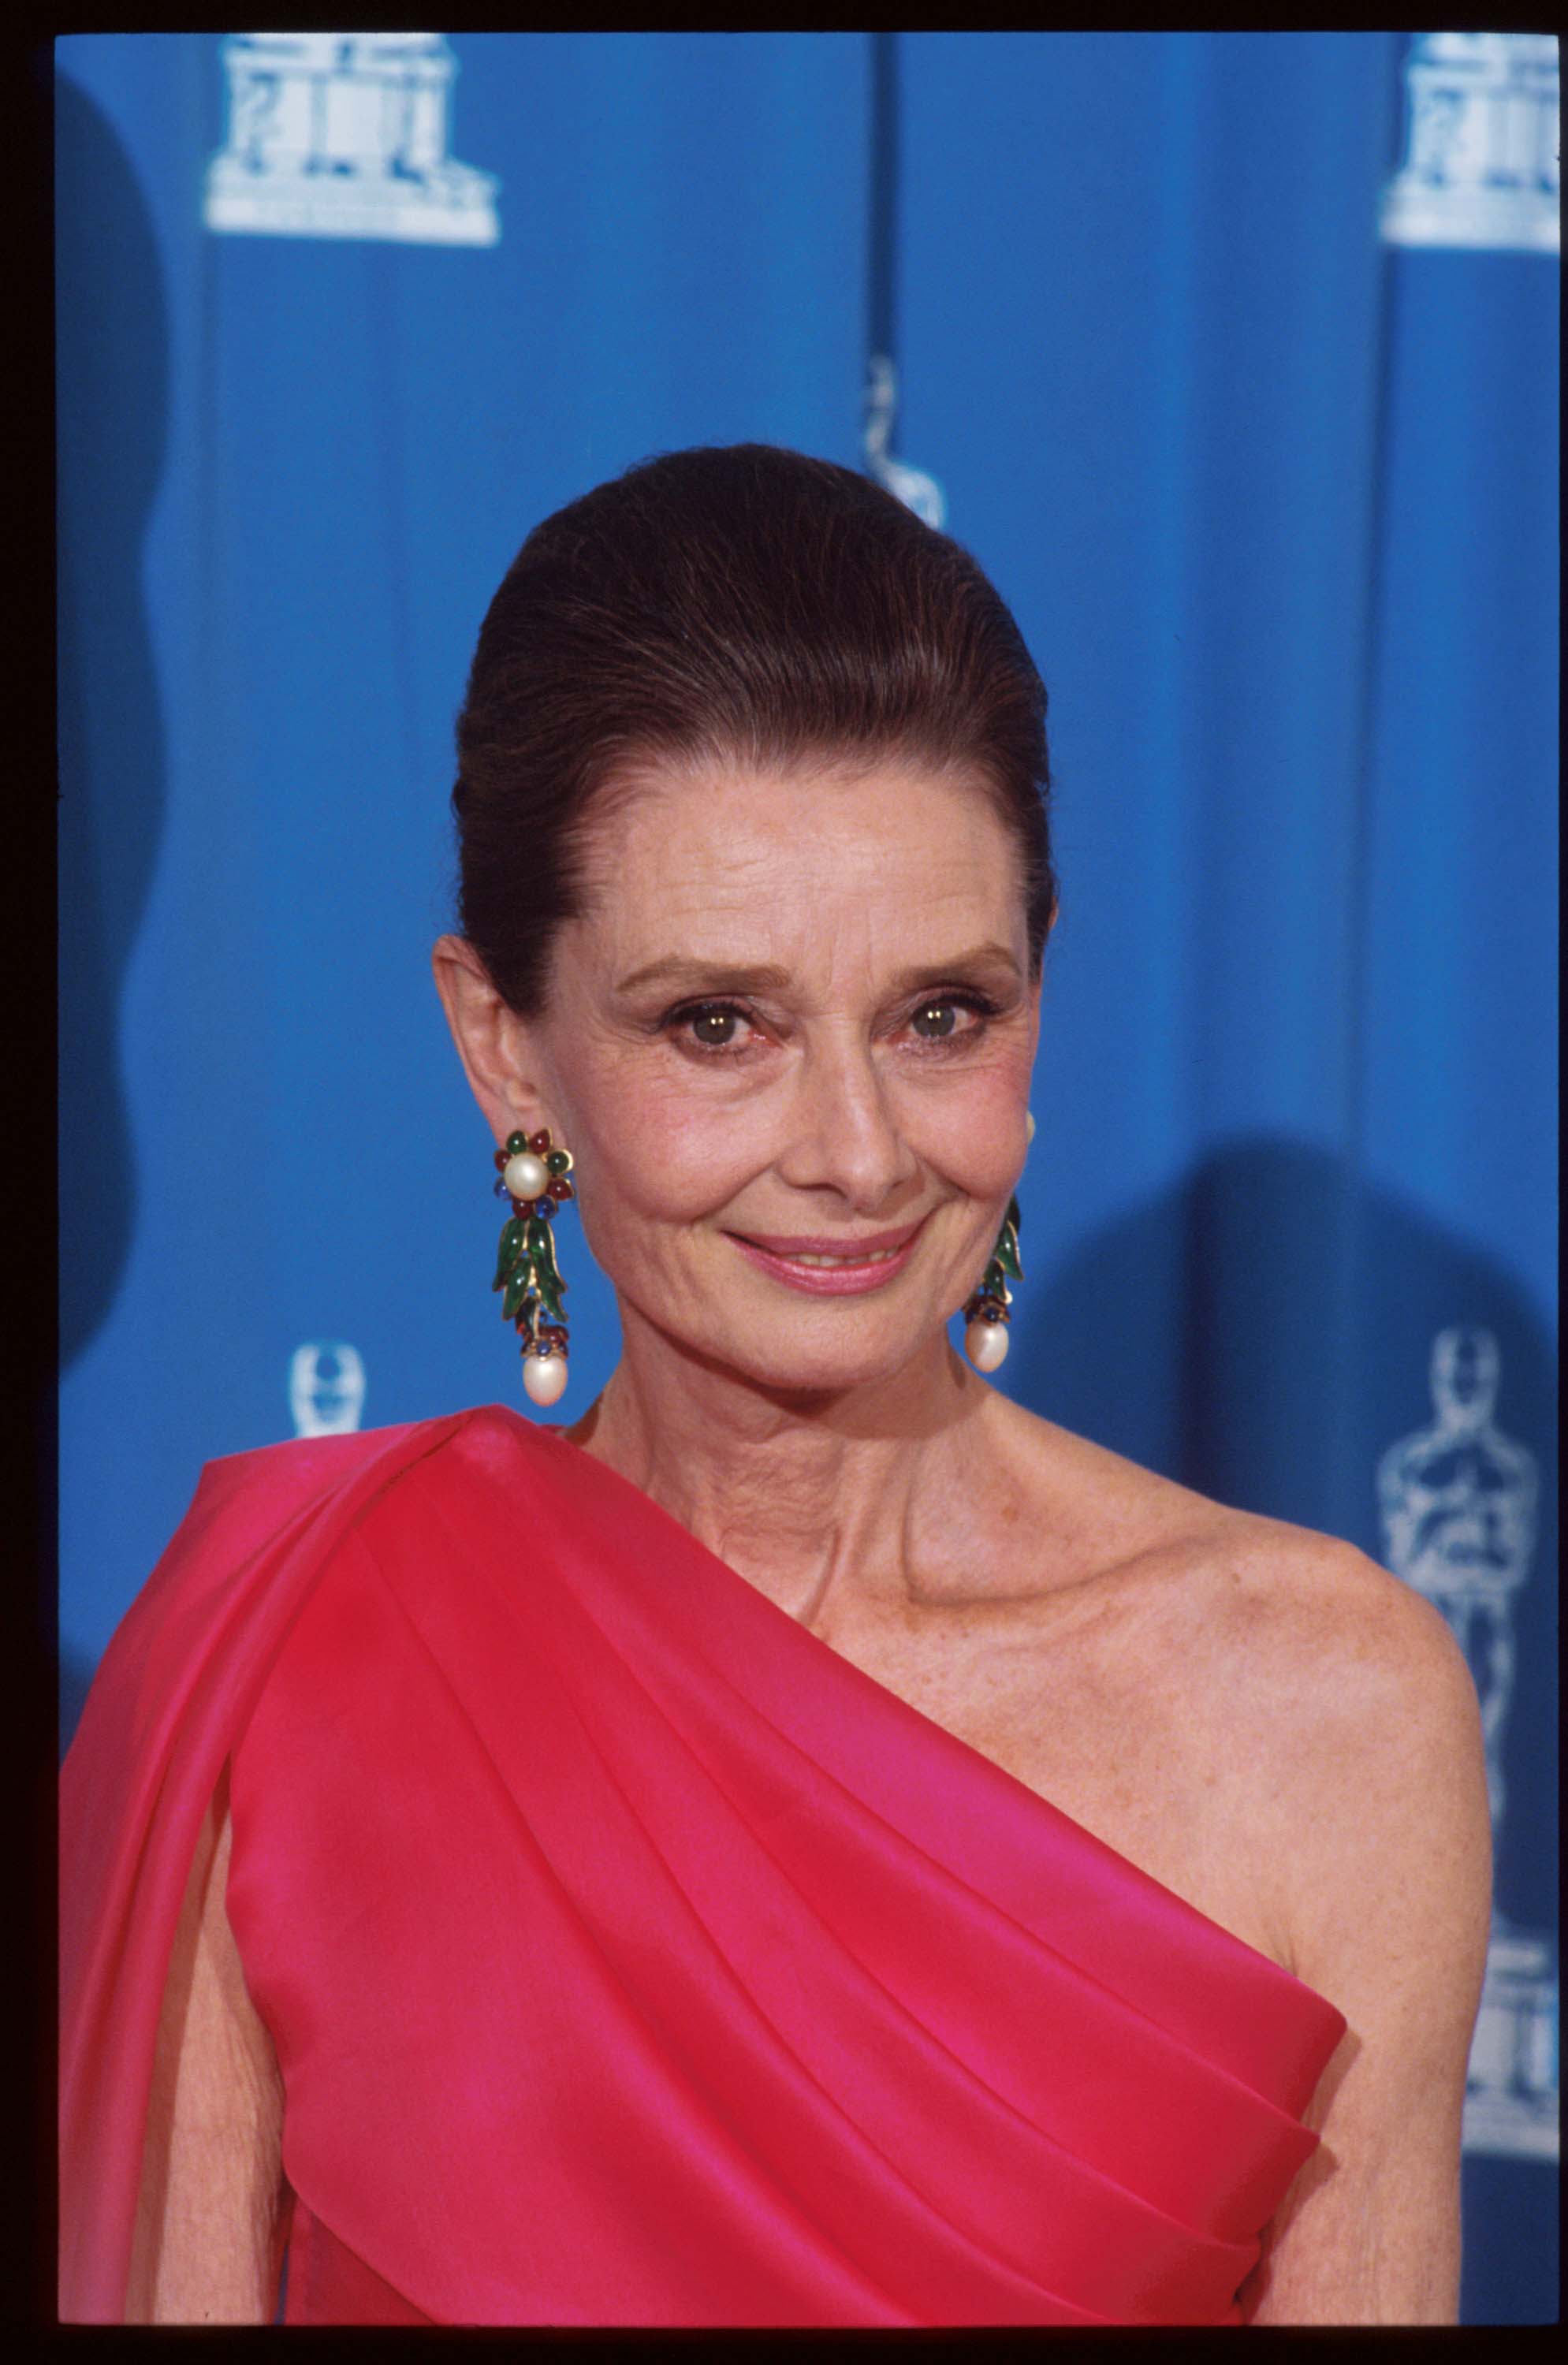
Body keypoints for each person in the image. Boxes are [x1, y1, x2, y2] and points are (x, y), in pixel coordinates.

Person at [60, 445, 1492, 2327]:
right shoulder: (279, 1658)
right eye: (715, 1026)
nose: (854, 1151)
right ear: (505, 1047)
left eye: (937, 1017)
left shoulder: (1329, 1714)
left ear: (1036, 996)